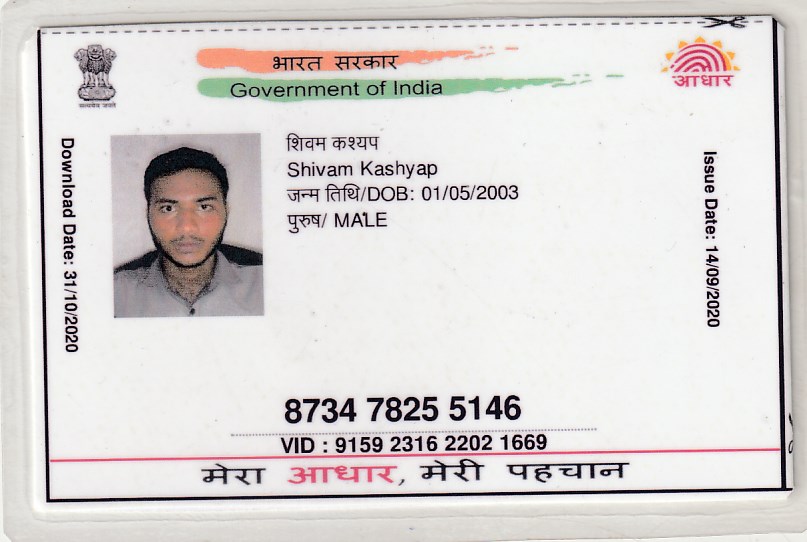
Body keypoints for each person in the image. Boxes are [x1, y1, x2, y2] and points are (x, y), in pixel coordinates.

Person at [114, 147, 263, 317]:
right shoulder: (115, 292)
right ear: (148, 214)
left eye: (204, 207)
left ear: (226, 212)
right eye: (168, 208)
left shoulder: (268, 280)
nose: (186, 227)